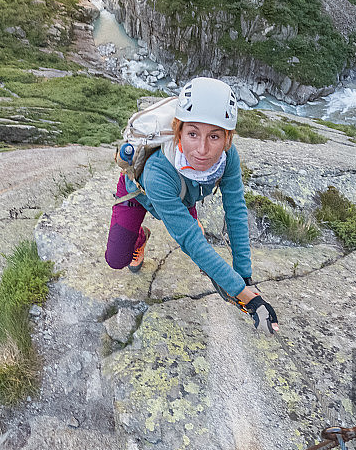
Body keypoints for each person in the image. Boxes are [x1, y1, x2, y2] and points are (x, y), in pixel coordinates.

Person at [104, 77, 279, 333]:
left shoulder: (228, 158)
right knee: (116, 259)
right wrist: (248, 297)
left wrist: (244, 275)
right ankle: (139, 239)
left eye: (215, 136)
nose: (203, 149)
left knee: (206, 263)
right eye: (193, 134)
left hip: (182, 198)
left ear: (227, 138)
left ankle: (140, 238)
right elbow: (190, 240)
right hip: (139, 193)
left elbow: (236, 210)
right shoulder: (157, 172)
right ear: (179, 132)